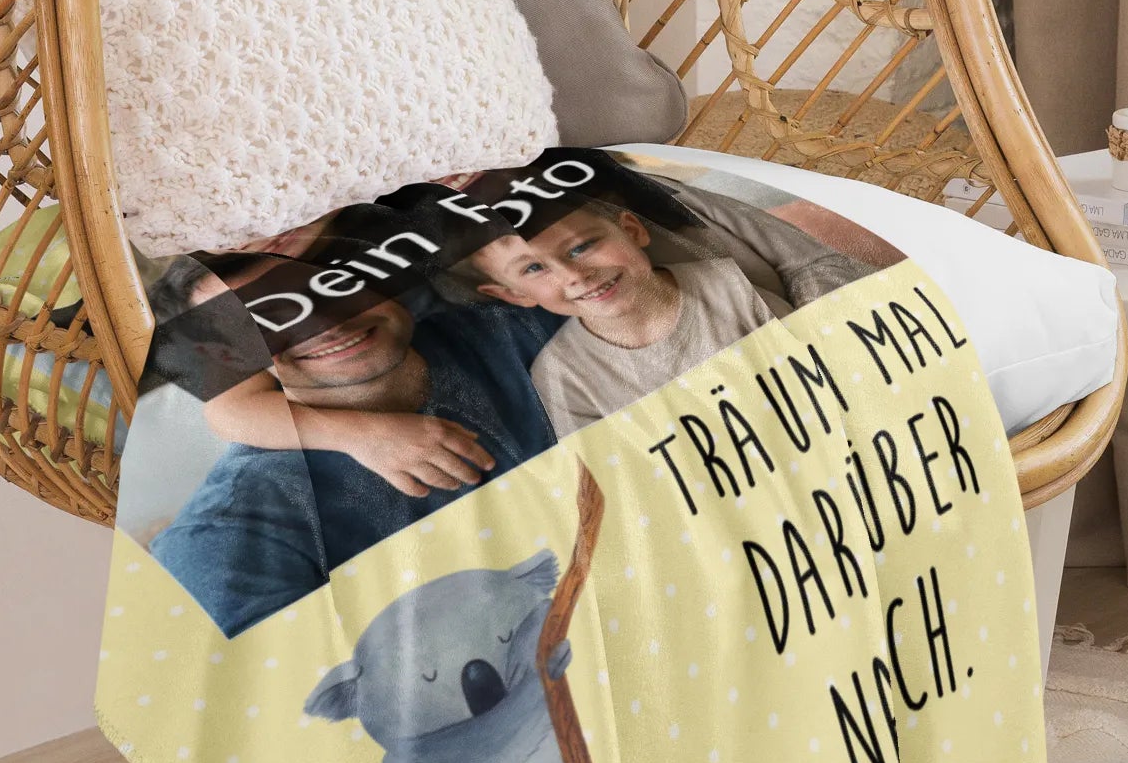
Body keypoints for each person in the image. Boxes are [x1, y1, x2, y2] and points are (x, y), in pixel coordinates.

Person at [151, 291, 559, 636]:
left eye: (331, 284)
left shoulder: (516, 325)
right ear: (225, 357)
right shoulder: (225, 538)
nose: (322, 323)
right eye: (263, 319)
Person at [468, 199, 786, 438]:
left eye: (581, 247)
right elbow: (614, 475)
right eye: (534, 269)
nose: (574, 276)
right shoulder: (560, 374)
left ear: (632, 231)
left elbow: (810, 355)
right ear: (515, 294)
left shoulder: (731, 286)